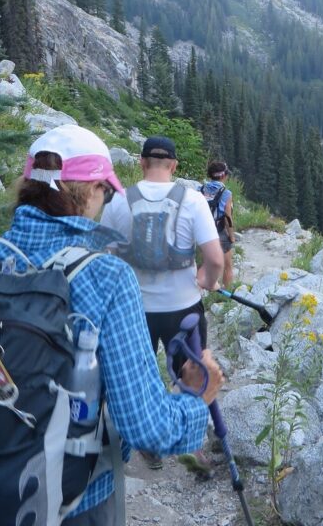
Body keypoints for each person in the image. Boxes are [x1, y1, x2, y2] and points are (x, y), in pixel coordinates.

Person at [0, 124, 223, 525]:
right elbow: (145, 425)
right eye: (106, 191)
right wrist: (196, 396)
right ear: (91, 189)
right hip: (69, 501)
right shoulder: (106, 277)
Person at [100, 136, 224, 469]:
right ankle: (192, 445)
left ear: (141, 163)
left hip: (134, 309)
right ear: (173, 166)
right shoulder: (193, 200)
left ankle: (148, 445)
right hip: (183, 308)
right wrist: (207, 281)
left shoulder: (117, 201)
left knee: (141, 373)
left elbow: (102, 256)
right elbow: (214, 258)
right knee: (192, 372)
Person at [200, 161, 235, 288]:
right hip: (218, 231)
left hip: (202, 230)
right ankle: (227, 293)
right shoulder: (226, 193)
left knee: (205, 262)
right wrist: (231, 236)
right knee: (227, 265)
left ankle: (205, 288)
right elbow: (227, 217)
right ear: (223, 175)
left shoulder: (201, 189)